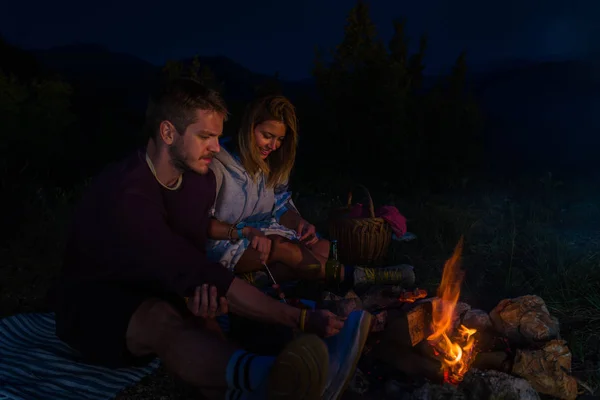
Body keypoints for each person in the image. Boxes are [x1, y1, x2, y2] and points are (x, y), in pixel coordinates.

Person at [48, 78, 372, 400]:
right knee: (162, 319)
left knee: (206, 325)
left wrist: (206, 283)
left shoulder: (197, 183)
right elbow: (190, 266)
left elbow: (196, 251)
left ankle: (274, 383)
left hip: (168, 283)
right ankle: (275, 376)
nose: (217, 148)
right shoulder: (127, 195)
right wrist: (300, 318)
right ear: (167, 133)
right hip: (102, 302)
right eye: (206, 136)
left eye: (218, 137)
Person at [207, 95, 415, 289]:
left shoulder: (271, 164)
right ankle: (361, 276)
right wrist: (245, 231)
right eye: (267, 136)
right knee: (282, 248)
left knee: (323, 248)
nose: (273, 145)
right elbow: (203, 222)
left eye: (280, 139)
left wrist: (299, 223)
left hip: (266, 234)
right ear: (248, 128)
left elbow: (279, 206)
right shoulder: (218, 164)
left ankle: (257, 281)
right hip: (230, 241)